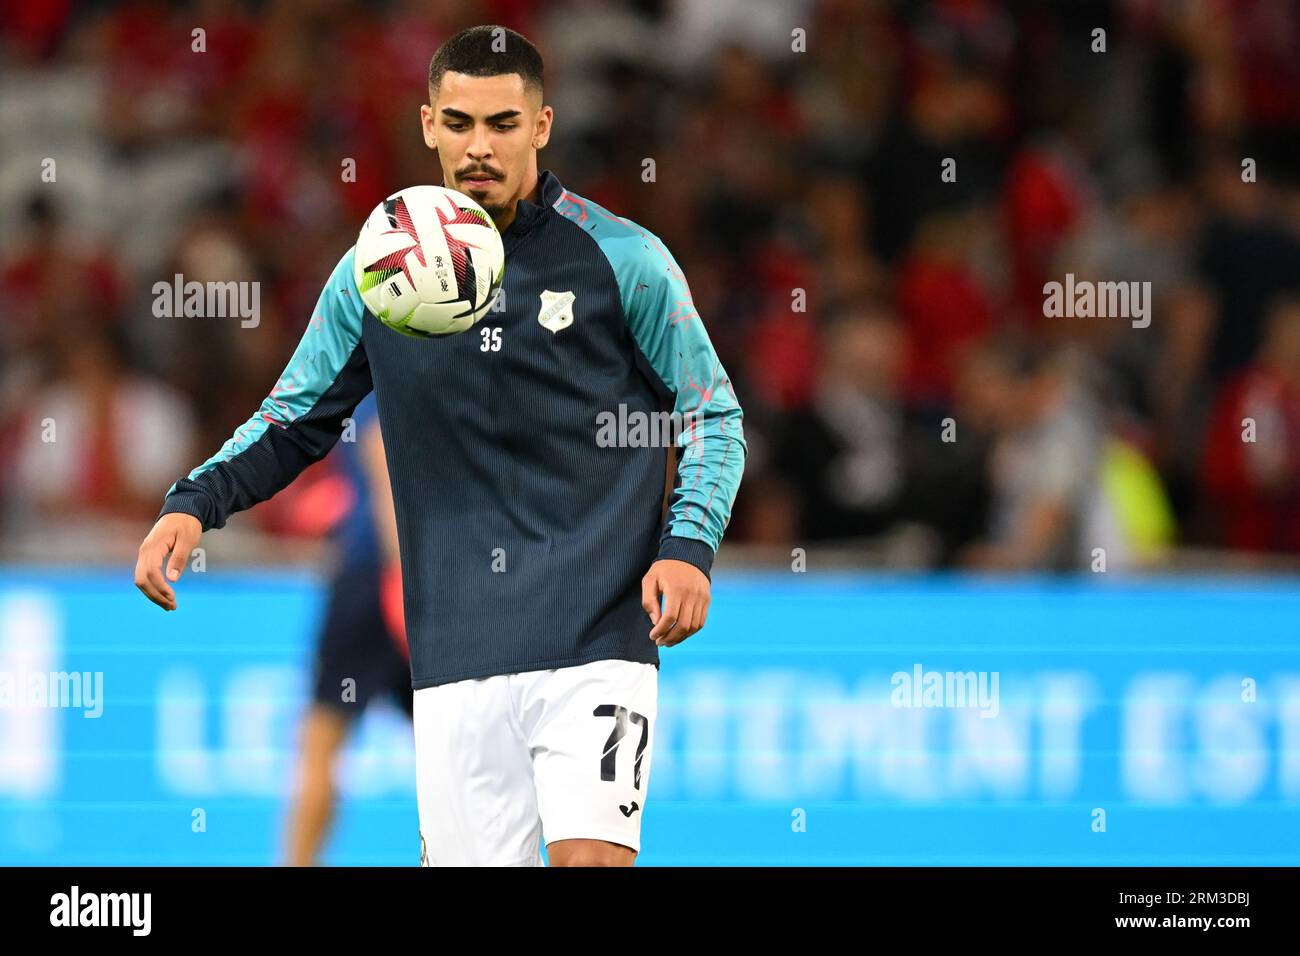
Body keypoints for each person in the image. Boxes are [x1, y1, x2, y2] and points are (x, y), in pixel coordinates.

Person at [134, 25, 746, 867]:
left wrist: (688, 546)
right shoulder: (379, 273)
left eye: (502, 123)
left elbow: (712, 414)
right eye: (459, 123)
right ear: (427, 126)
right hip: (454, 652)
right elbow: (293, 417)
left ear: (542, 126)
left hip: (596, 639)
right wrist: (194, 503)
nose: (479, 146)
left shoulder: (623, 261)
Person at [283, 394, 412, 866]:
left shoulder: (377, 381)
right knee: (455, 747)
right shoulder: (434, 372)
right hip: (409, 581)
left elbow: (384, 477)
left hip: (375, 580)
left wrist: (400, 580)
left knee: (321, 741)